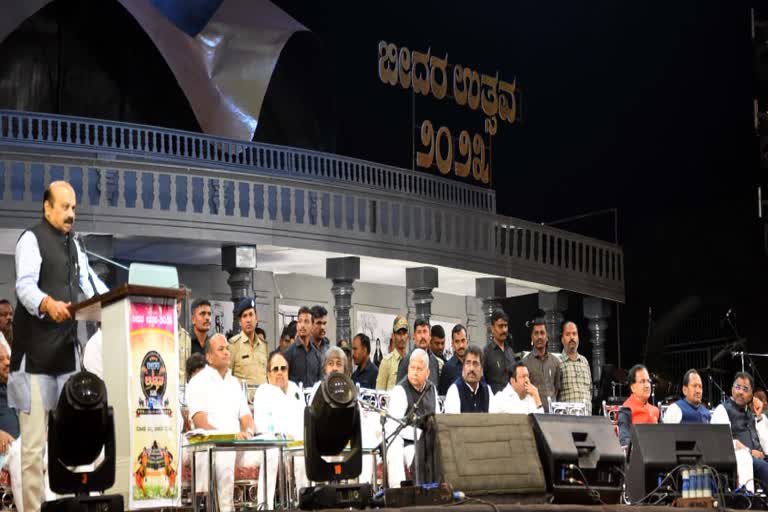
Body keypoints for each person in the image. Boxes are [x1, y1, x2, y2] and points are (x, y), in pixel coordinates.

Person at [10, 180, 109, 512]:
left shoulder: (74, 247)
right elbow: (24, 287)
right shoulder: (31, 240)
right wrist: (47, 303)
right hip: (33, 360)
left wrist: (114, 301)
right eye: (65, 207)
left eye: (74, 208)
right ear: (47, 207)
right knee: (34, 448)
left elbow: (90, 285)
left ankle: (69, 506)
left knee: (71, 442)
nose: (71, 214)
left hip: (65, 358)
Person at [186, 334, 256, 510]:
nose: (226, 352)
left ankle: (267, 506)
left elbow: (246, 417)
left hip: (237, 444)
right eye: (221, 349)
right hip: (210, 444)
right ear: (209, 357)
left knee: (271, 452)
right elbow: (200, 420)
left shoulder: (235, 383)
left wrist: (248, 431)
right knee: (225, 452)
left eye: (227, 348)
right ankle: (226, 508)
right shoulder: (197, 382)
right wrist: (228, 437)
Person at [251, 351, 305, 507]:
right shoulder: (263, 391)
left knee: (303, 454)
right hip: (270, 444)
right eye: (275, 369)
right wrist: (281, 435)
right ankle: (264, 506)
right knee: (272, 454)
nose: (280, 372)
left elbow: (304, 420)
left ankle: (304, 504)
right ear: (268, 374)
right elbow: (262, 424)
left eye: (283, 368)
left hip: (295, 444)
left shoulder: (295, 390)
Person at [386, 349, 439, 488]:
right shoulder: (400, 391)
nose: (415, 372)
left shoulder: (432, 389)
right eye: (412, 368)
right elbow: (394, 426)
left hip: (431, 441)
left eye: (419, 369)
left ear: (427, 372)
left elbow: (438, 419)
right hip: (409, 443)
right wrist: (421, 435)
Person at [711, 371, 768, 491]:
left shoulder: (752, 413)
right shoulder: (722, 410)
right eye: (737, 387)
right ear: (732, 389)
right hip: (740, 458)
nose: (740, 392)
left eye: (745, 389)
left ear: (751, 395)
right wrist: (749, 451)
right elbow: (723, 441)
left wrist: (759, 417)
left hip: (759, 457)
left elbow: (766, 446)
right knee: (764, 468)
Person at [522, 320, 562, 412]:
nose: (539, 336)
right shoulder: (525, 363)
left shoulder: (556, 362)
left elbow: (557, 390)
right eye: (536, 333)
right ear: (532, 337)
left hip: (553, 415)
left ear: (547, 337)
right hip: (534, 413)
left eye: (542, 333)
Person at [0, 344, 22, 512]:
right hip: (7, 452)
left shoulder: (17, 386)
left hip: (29, 444)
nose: (7, 362)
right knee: (19, 455)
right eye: (1, 360)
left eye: (8, 357)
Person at [227, 297, 268, 386]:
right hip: (242, 399)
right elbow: (227, 377)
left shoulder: (263, 345)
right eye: (244, 316)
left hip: (262, 398)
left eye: (251, 314)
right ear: (240, 322)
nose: (248, 320)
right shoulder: (233, 345)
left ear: (256, 318)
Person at [618, 364, 659, 449]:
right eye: (642, 381)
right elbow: (624, 440)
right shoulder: (626, 409)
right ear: (633, 387)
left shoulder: (655, 410)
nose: (647, 385)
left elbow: (665, 436)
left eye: (648, 381)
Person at [443, 346, 494, 413]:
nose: (471, 369)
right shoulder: (455, 391)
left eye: (475, 364)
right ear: (463, 367)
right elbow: (453, 422)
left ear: (482, 370)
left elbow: (494, 420)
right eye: (468, 363)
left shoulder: (487, 391)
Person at [283, 306, 323, 388]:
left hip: (313, 399)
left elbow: (319, 383)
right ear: (297, 325)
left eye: (306, 321)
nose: (302, 325)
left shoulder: (317, 355)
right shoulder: (288, 353)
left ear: (312, 326)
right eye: (300, 321)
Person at [558, 321, 592, 413]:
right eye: (568, 334)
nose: (572, 337)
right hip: (568, 421)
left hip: (587, 420)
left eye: (574, 334)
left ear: (578, 337)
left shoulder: (584, 361)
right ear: (562, 339)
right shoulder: (557, 362)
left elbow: (590, 391)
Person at [396, 318, 440, 388]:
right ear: (414, 336)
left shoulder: (434, 362)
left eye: (425, 331)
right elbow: (399, 390)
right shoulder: (406, 360)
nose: (422, 336)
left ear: (430, 335)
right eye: (419, 332)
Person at [483, 310, 518, 394]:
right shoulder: (486, 353)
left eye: (506, 326)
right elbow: (482, 382)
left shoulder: (510, 351)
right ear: (492, 328)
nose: (504, 330)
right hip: (495, 403)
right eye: (500, 326)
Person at [376, 315, 409, 391]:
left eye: (404, 333)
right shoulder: (386, 362)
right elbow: (379, 392)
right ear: (393, 336)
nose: (402, 337)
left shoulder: (411, 360)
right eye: (399, 333)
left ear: (408, 336)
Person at [438, 324, 468, 396]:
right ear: (452, 344)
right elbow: (443, 396)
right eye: (457, 341)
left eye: (463, 340)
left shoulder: (474, 364)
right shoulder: (447, 368)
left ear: (467, 341)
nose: (461, 345)